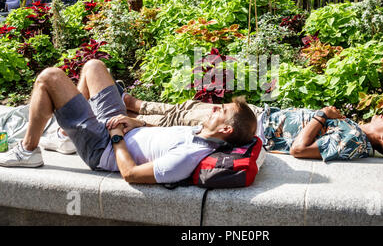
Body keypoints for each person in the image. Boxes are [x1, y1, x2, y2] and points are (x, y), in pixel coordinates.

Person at [0, 59, 257, 185]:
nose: (213, 107)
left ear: (226, 129)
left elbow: (131, 174)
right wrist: (138, 124)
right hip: (119, 130)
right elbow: (162, 133)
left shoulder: (189, 157)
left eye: (221, 111)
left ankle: (28, 150)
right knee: (93, 67)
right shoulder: (200, 132)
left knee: (50, 78)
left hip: (103, 147)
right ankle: (67, 138)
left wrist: (117, 138)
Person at [120, 93, 383, 162]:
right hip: (262, 117)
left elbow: (299, 149)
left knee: (188, 115)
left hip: (255, 127)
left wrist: (321, 116)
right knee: (189, 110)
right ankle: (137, 107)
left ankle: (134, 111)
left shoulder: (355, 143)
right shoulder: (355, 133)